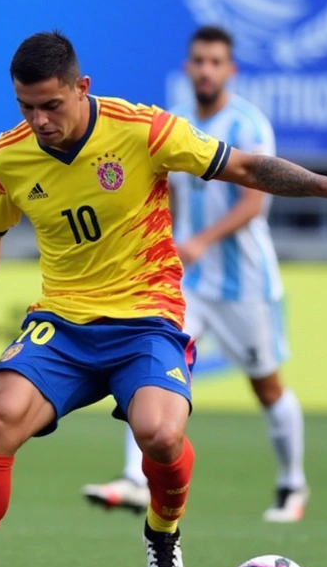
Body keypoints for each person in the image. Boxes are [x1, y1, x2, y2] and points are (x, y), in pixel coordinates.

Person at [0, 31, 327, 567]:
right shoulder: (8, 156)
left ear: (82, 88)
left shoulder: (142, 128)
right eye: (26, 107)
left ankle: (163, 531)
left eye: (51, 105)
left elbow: (246, 168)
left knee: (160, 433)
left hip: (146, 317)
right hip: (64, 322)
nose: (40, 121)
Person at [82, 27, 308, 523]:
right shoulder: (178, 125)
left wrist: (202, 241)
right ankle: (135, 478)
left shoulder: (248, 125)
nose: (206, 69)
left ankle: (293, 484)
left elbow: (254, 202)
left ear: (230, 70)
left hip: (245, 284)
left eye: (215, 62)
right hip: (187, 284)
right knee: (148, 363)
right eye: (199, 61)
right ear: (188, 67)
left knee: (266, 386)